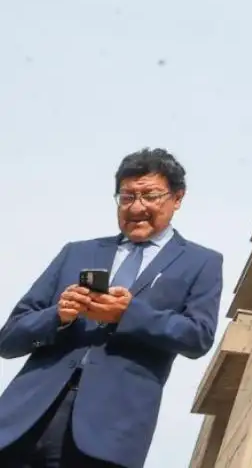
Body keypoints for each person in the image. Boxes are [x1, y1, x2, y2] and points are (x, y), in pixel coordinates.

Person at [0, 150, 223, 468]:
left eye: (150, 196)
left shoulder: (201, 263)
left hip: (109, 436)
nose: (136, 207)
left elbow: (197, 337)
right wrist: (58, 316)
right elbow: (8, 340)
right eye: (127, 196)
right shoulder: (77, 252)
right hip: (21, 422)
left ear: (177, 198)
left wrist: (127, 314)